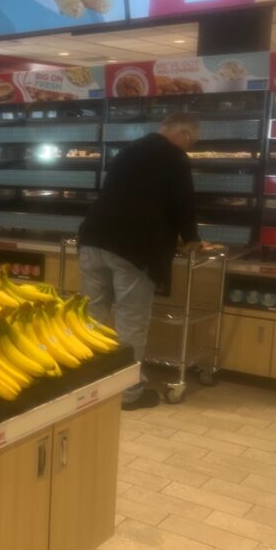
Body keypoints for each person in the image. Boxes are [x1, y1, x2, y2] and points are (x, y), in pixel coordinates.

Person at [77, 112, 204, 410]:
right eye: (192, 142)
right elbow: (184, 202)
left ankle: (84, 383)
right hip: (133, 247)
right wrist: (191, 239)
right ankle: (128, 393)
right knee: (131, 320)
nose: (190, 147)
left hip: (93, 238)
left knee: (91, 314)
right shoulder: (175, 157)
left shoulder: (129, 150)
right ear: (184, 135)